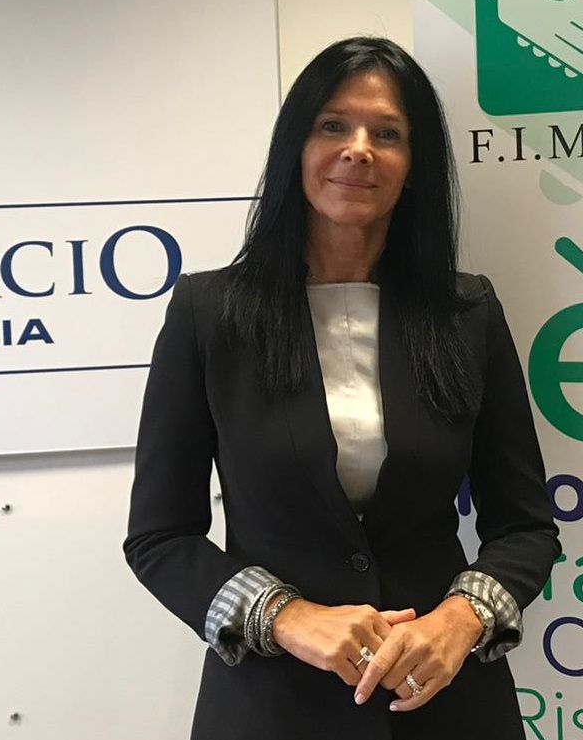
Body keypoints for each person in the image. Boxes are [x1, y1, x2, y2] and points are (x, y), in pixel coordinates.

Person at [123, 36, 560, 740]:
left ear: (413, 167)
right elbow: (160, 537)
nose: (358, 149)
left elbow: (525, 526)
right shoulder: (210, 314)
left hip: (445, 702)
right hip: (273, 706)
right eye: (333, 125)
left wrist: (460, 619)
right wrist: (286, 616)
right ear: (295, 148)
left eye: (387, 134)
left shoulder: (466, 312)